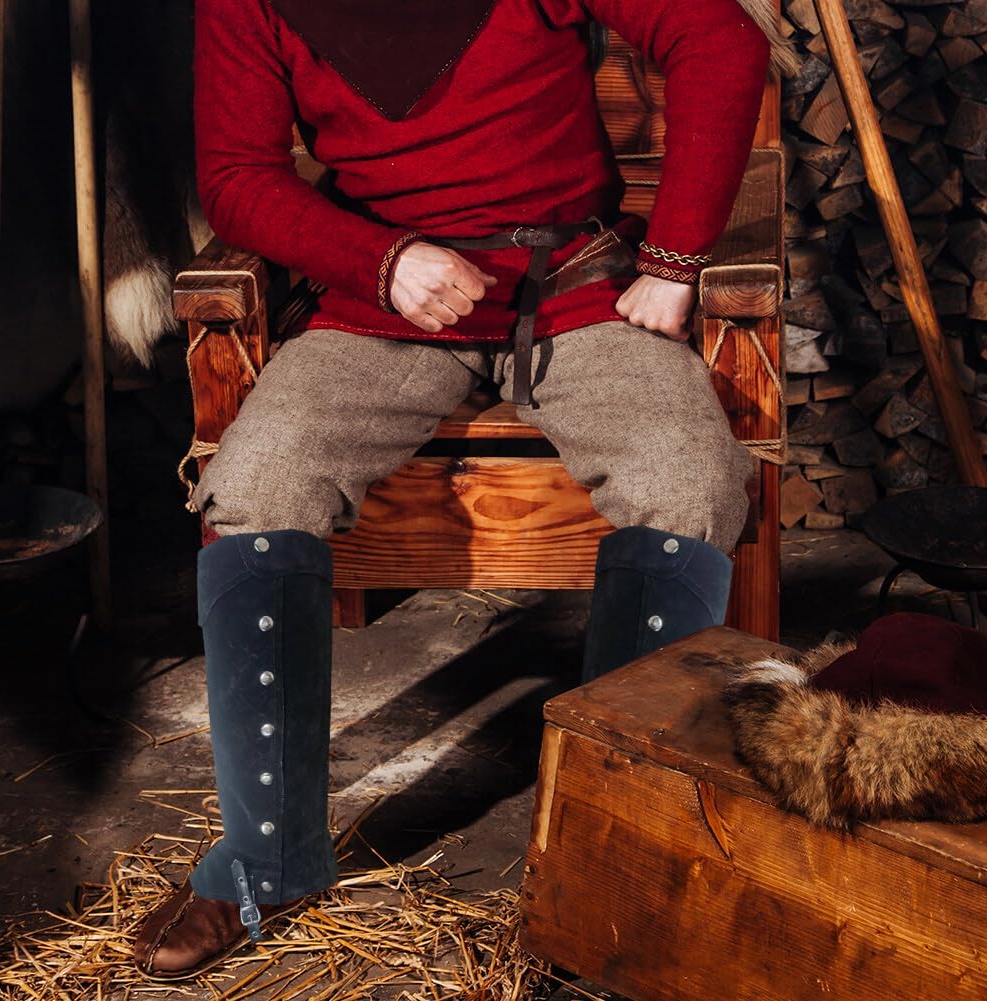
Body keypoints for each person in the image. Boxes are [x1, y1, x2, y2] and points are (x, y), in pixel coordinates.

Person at [134, 0, 773, 979]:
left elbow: (719, 40)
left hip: (576, 283)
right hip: (383, 300)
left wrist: (674, 258)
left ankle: (610, 864)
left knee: (685, 480)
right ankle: (265, 863)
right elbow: (235, 178)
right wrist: (381, 261)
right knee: (257, 483)